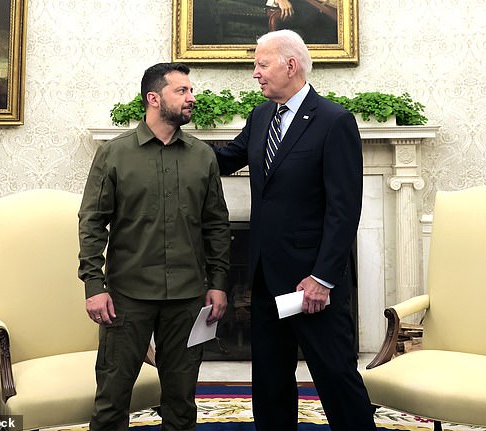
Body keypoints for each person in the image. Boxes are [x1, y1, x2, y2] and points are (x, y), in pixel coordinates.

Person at [212, 30, 376, 430]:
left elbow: (344, 208)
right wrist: (172, 141)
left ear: (291, 65)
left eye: (261, 64)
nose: (255, 74)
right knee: (269, 382)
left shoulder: (334, 121)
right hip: (266, 278)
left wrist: (322, 278)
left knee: (336, 378)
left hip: (312, 284)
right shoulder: (261, 116)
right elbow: (226, 159)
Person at [78, 62, 230, 431]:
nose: (192, 98)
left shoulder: (202, 156)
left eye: (191, 91)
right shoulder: (114, 154)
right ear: (153, 98)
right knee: (112, 398)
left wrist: (219, 283)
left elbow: (216, 224)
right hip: (127, 298)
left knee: (181, 400)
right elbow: (92, 222)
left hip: (188, 298)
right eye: (182, 91)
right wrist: (94, 287)